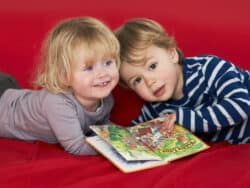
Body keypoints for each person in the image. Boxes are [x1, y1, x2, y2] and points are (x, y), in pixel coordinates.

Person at [115, 18, 250, 144]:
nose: (150, 81)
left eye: (152, 66)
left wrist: (184, 118)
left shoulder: (209, 68)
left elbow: (241, 105)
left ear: (172, 54)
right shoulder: (155, 108)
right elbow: (134, 133)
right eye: (137, 80)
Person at [0, 17, 120, 155]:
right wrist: (121, 149)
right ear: (64, 76)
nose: (103, 74)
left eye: (108, 63)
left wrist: (129, 136)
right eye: (88, 68)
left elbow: (103, 128)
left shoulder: (104, 96)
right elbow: (77, 146)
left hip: (15, 96)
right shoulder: (58, 103)